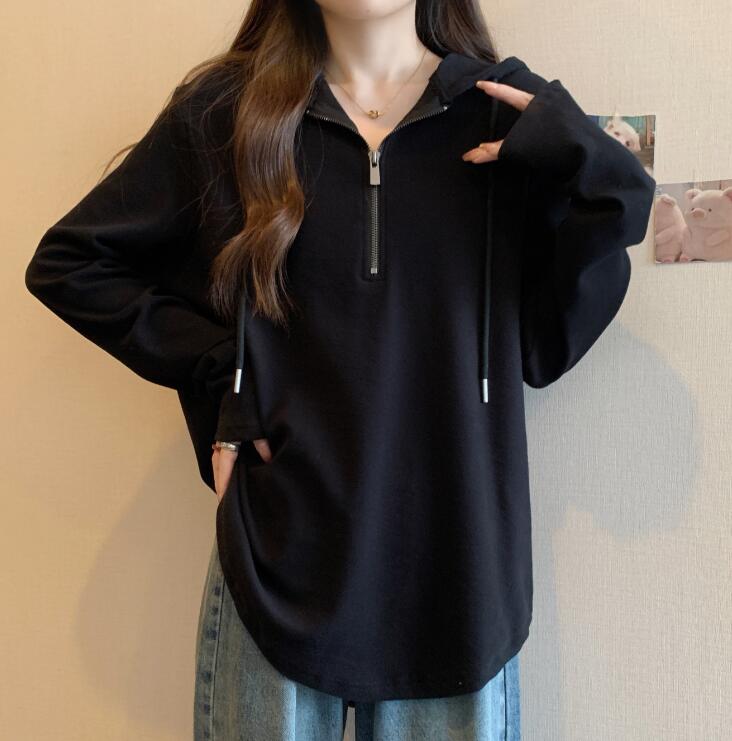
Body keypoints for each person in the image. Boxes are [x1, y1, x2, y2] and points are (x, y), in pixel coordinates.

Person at [24, 0, 656, 738]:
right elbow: (73, 263)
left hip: (458, 577)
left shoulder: (502, 114)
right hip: (275, 563)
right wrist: (227, 375)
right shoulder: (229, 113)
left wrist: (592, 165)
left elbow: (546, 348)